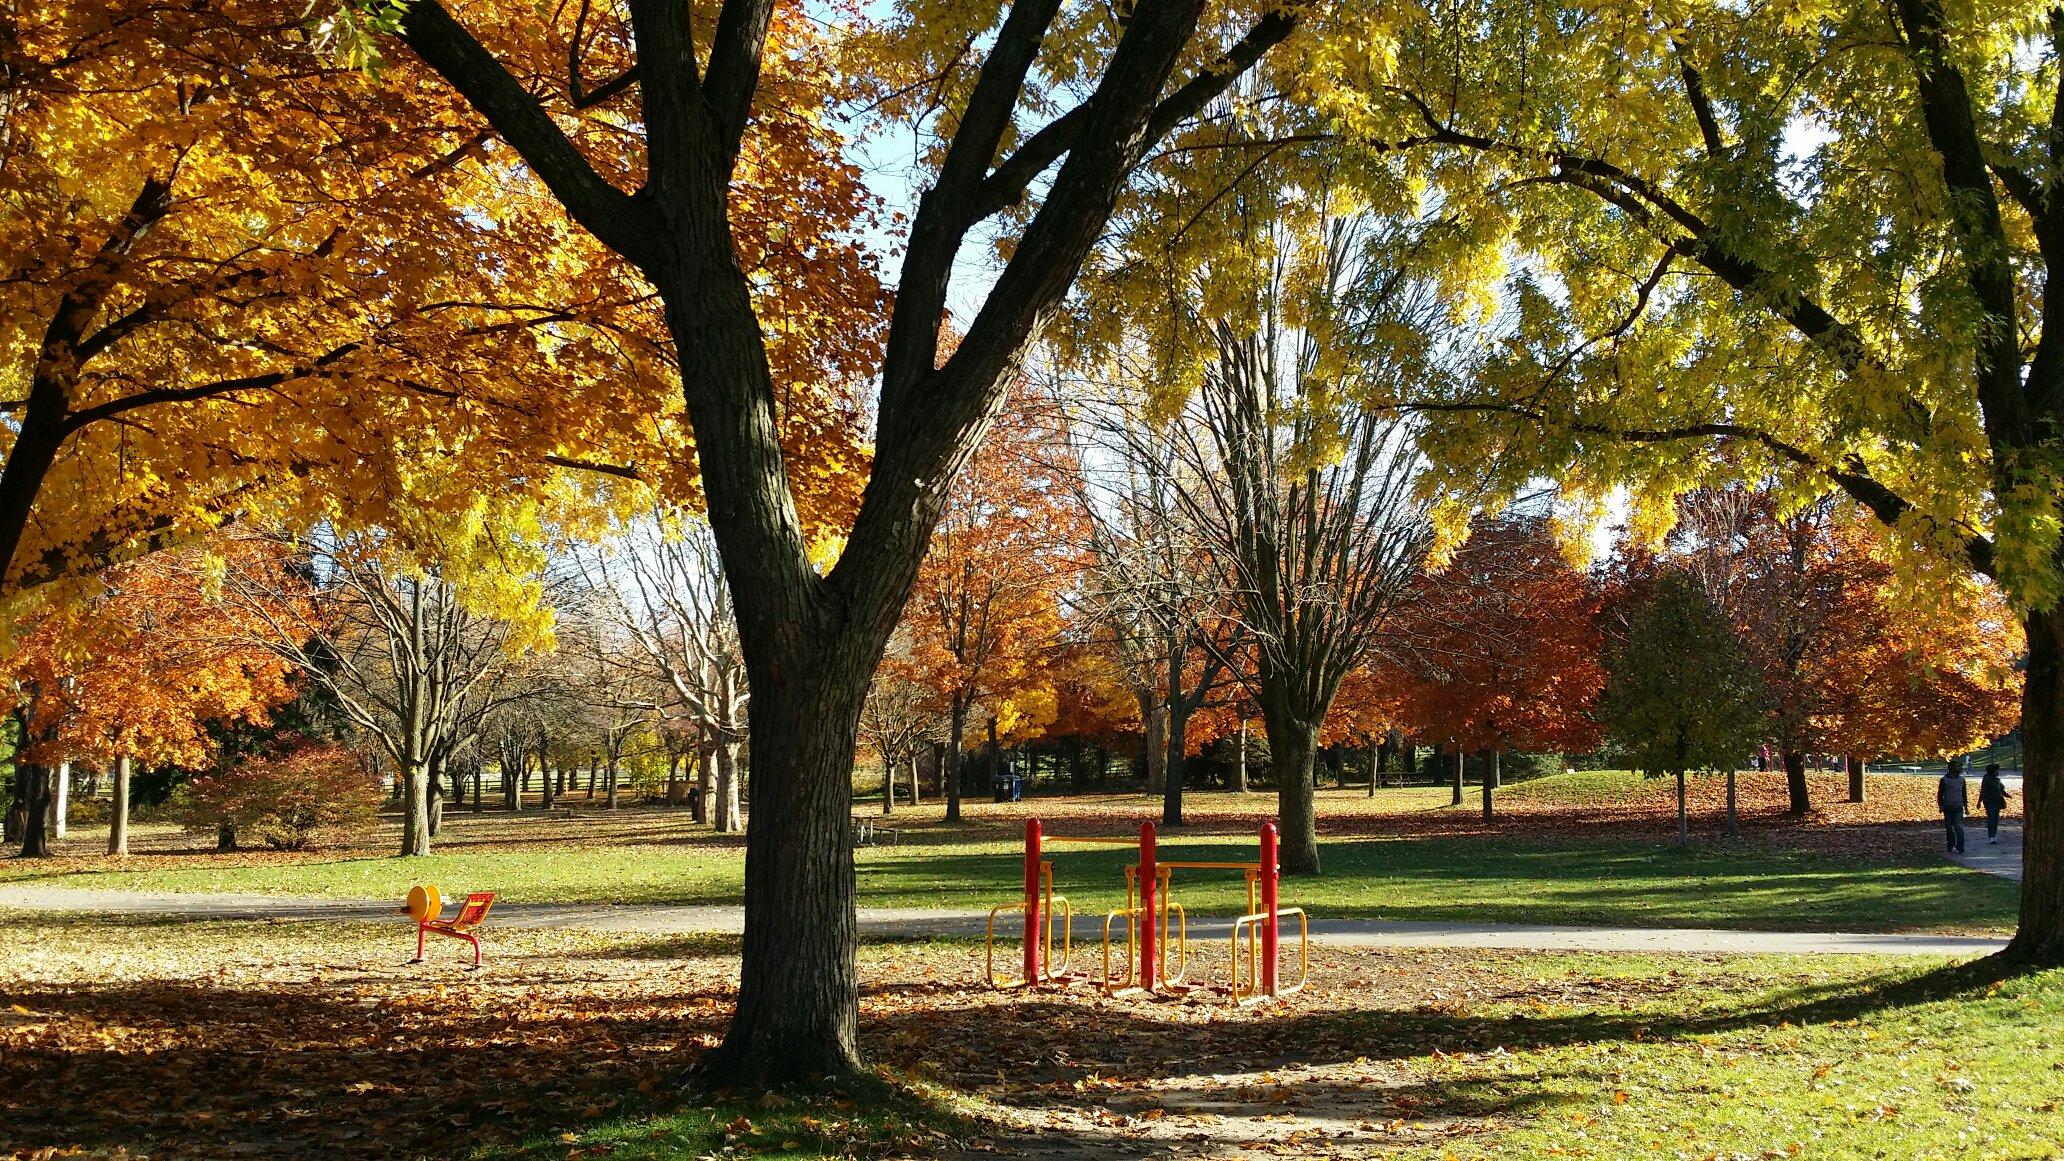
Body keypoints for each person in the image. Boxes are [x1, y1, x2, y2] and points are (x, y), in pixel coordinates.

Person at [1937, 758, 1969, 855]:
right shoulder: (1944, 780)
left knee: (1958, 826)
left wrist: (1966, 807)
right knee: (1949, 828)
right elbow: (1940, 794)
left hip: (1959, 806)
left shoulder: (1962, 780)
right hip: (1948, 806)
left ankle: (1961, 846)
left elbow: (1964, 794)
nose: (1959, 768)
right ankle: (1950, 843)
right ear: (1951, 768)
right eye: (1957, 766)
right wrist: (1941, 805)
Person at [1979, 763, 2011, 845]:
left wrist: (2008, 796)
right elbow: (1983, 791)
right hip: (1989, 801)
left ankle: (1993, 836)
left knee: (1995, 819)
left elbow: (2001, 790)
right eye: (1996, 770)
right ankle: (1991, 836)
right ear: (1992, 771)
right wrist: (1979, 801)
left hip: (1997, 801)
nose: (1998, 772)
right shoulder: (1986, 779)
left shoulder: (1997, 780)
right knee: (1992, 818)